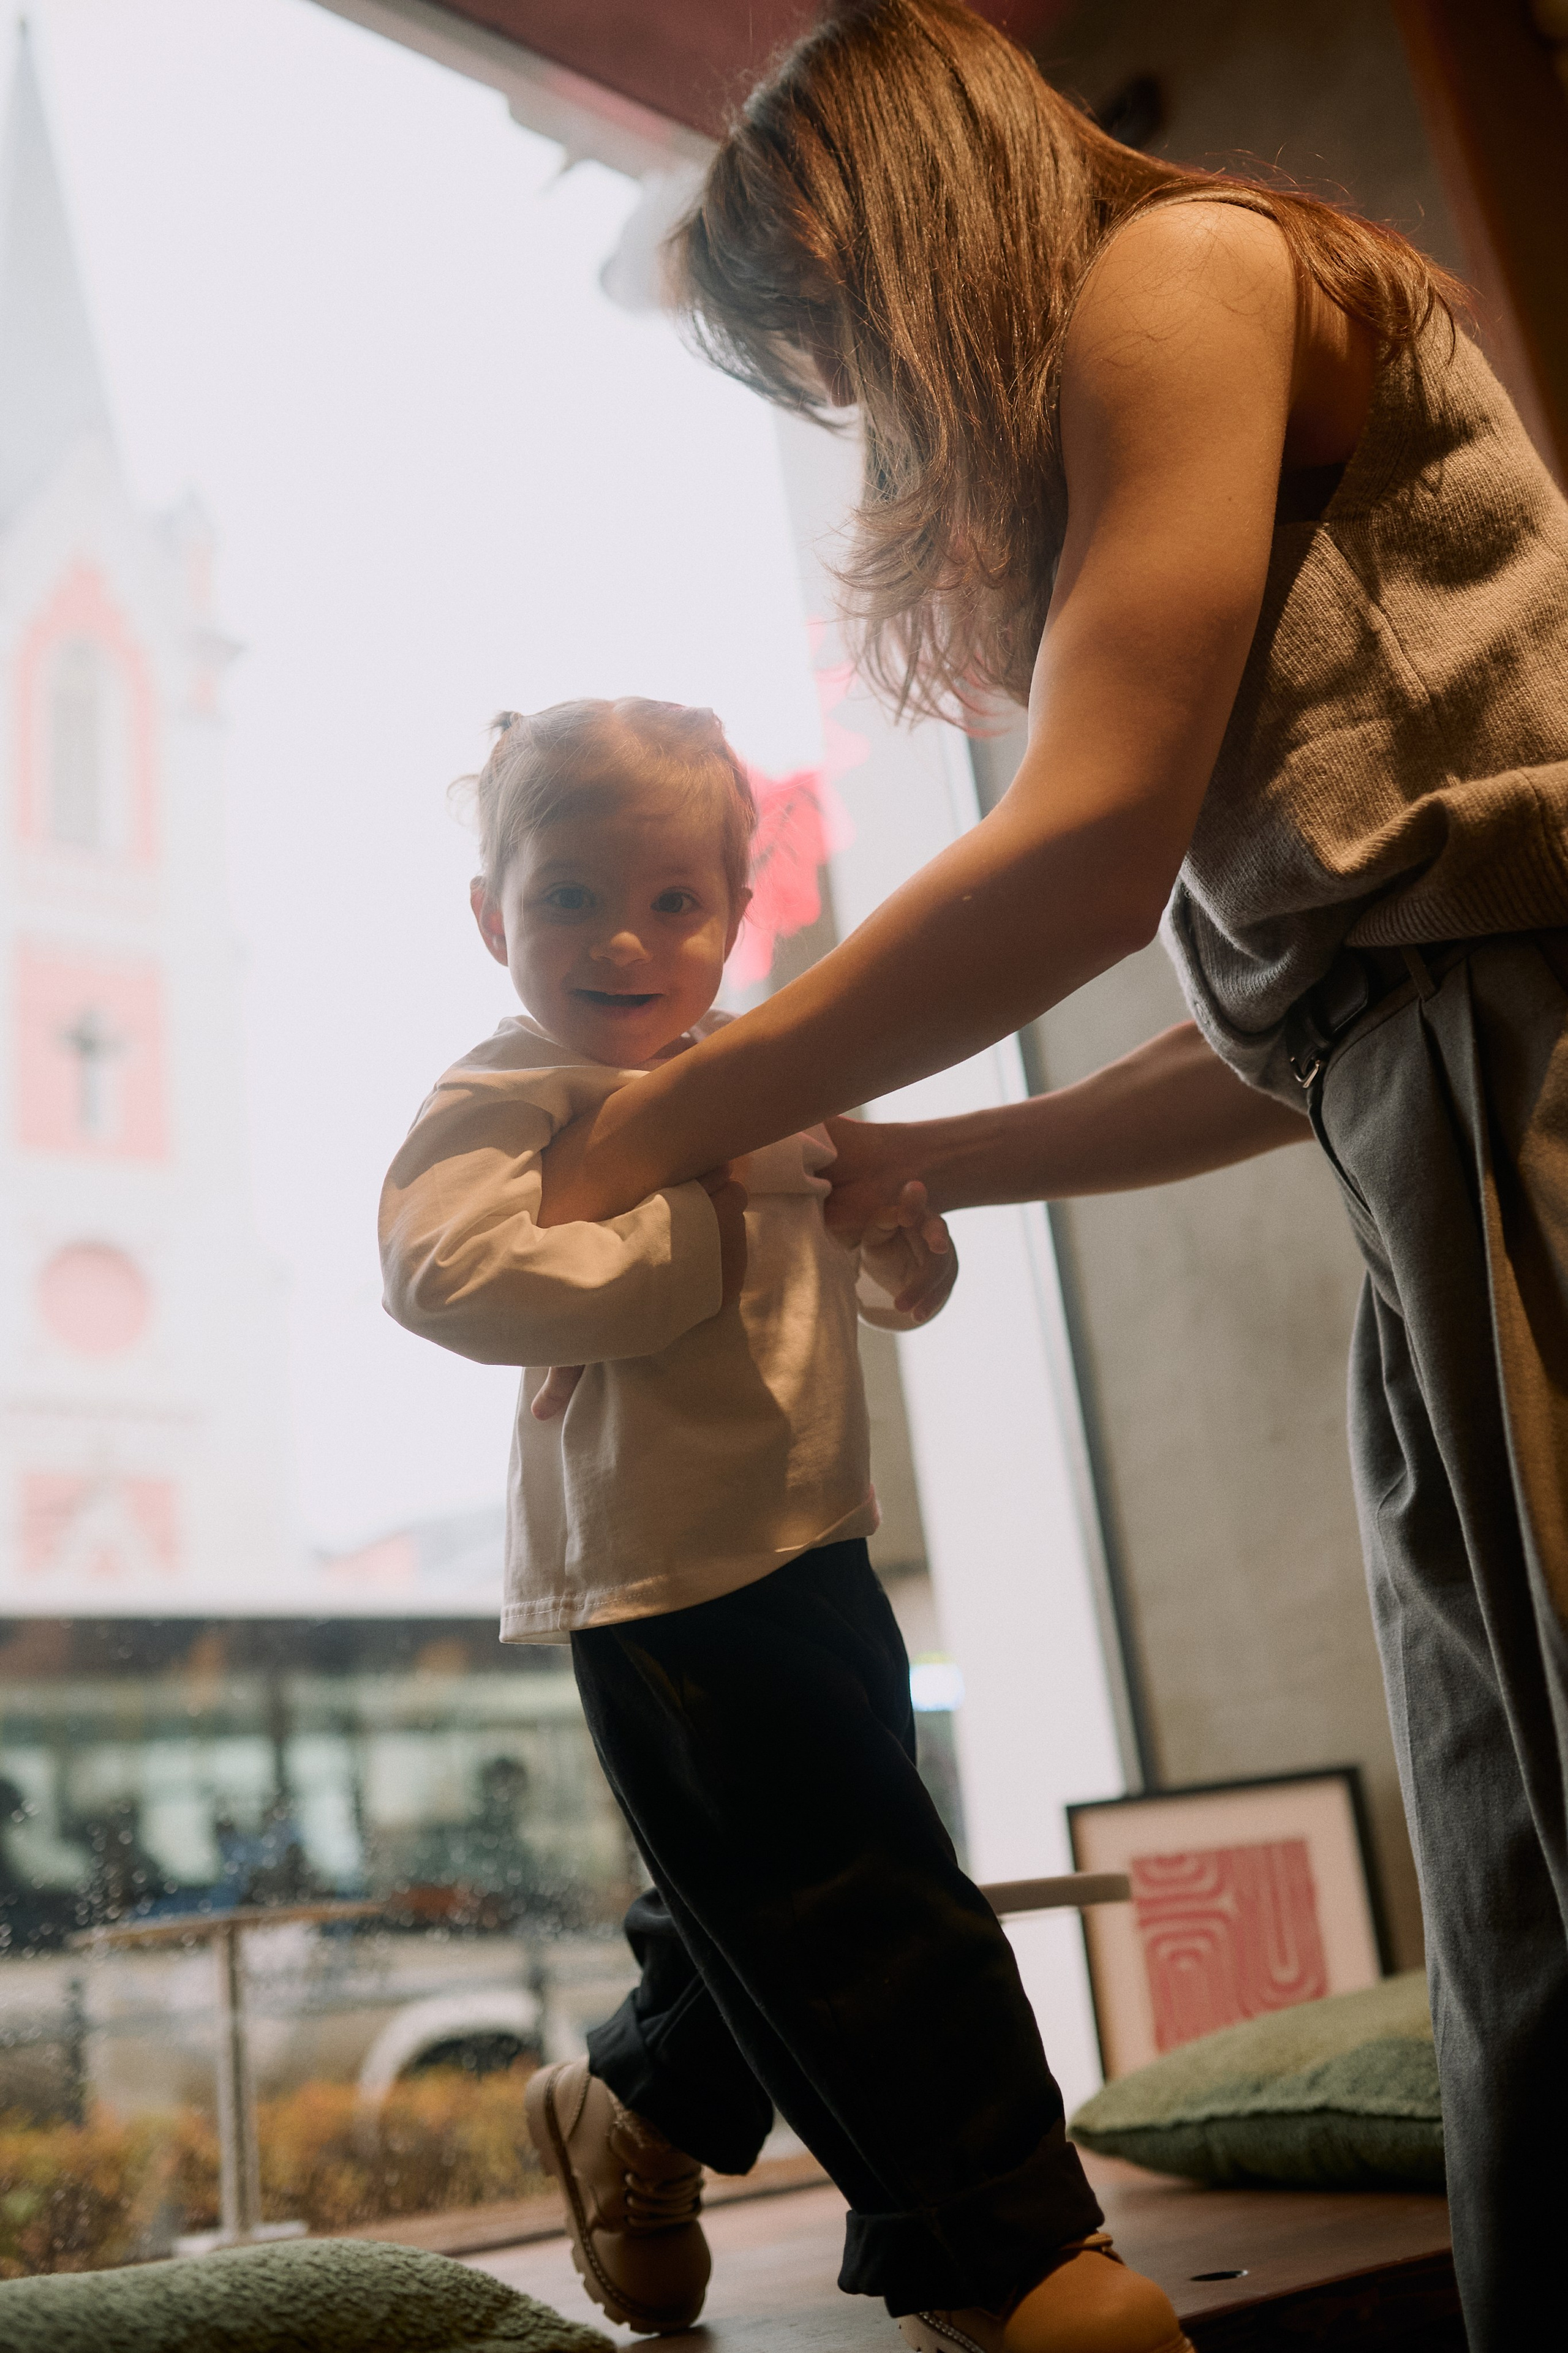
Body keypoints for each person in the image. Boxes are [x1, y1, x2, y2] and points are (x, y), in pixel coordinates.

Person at [522, 6, 1568, 2348]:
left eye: (837, 345)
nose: (866, 407)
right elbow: (1316, 1043)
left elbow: (1091, 848)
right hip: (1432, 1152)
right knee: (1523, 1887)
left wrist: (665, 1117)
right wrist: (920, 1153)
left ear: (893, 242)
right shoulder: (1424, 952)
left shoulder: (1181, 273)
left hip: (1520, 1144)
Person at [381, 700, 1189, 2352]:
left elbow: (851, 1267)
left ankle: (633, 2103)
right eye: (568, 897)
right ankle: (991, 2246)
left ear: (737, 914)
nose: (624, 938)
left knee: (785, 1867)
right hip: (660, 1573)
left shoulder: (768, 1072)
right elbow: (439, 1269)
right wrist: (684, 1249)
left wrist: (902, 1255)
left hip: (816, 1533)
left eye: (673, 900)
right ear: (490, 918)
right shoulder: (513, 1087)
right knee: (855, 1887)